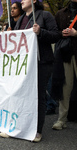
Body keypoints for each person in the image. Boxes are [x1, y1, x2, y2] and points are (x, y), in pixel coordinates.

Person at [0, 0, 60, 142]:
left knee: (39, 95)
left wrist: (41, 32)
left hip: (42, 62)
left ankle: (36, 130)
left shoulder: (45, 15)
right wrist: (10, 35)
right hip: (25, 64)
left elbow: (56, 35)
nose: (21, 0)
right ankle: (17, 127)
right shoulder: (20, 19)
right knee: (20, 94)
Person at [52, 0, 77, 130]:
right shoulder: (61, 13)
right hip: (66, 54)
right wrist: (62, 33)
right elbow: (55, 32)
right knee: (66, 87)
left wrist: (75, 33)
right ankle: (62, 120)